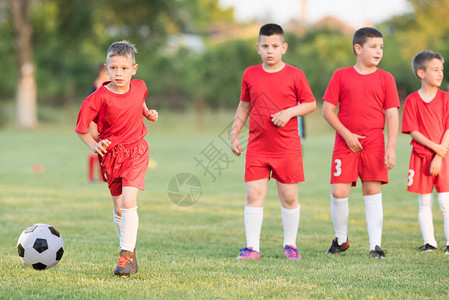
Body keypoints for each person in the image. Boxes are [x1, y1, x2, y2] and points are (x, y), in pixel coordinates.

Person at [230, 23, 316, 260]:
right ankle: (252, 248)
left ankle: (290, 245)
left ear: (284, 48)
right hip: (258, 146)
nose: (270, 50)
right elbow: (244, 105)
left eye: (275, 46)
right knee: (253, 195)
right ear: (257, 48)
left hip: (286, 147)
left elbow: (310, 103)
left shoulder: (295, 75)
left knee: (289, 198)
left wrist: (289, 113)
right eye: (265, 46)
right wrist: (234, 133)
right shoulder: (250, 74)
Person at [75, 41, 158, 276]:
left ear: (134, 68)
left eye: (124, 68)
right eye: (114, 68)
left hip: (136, 150)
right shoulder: (97, 98)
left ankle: (124, 256)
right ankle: (130, 249)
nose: (119, 73)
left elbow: (139, 102)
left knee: (128, 201)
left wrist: (147, 113)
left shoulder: (140, 86)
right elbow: (81, 129)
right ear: (106, 68)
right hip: (111, 156)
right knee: (118, 208)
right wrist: (95, 145)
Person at [322, 27, 400, 258]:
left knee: (372, 190)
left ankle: (375, 245)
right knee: (338, 191)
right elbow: (327, 111)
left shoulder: (386, 78)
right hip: (345, 141)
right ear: (358, 48)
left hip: (374, 142)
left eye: (381, 47)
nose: (379, 51)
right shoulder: (341, 75)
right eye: (373, 47)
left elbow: (393, 114)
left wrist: (392, 146)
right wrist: (347, 135)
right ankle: (341, 239)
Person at [401, 50, 449, 254]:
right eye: (435, 70)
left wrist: (439, 154)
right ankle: (430, 242)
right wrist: (434, 148)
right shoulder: (412, 100)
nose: (440, 74)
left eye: (442, 70)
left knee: (445, 202)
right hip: (420, 157)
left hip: (444, 157)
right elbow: (413, 131)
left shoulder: (446, 98)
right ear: (421, 73)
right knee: (425, 201)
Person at [87, 63, 110, 183]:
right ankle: (91, 177)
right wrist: (93, 127)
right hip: (97, 124)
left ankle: (102, 177)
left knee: (103, 152)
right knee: (94, 150)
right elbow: (90, 110)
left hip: (106, 124)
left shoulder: (109, 87)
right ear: (102, 73)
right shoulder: (95, 88)